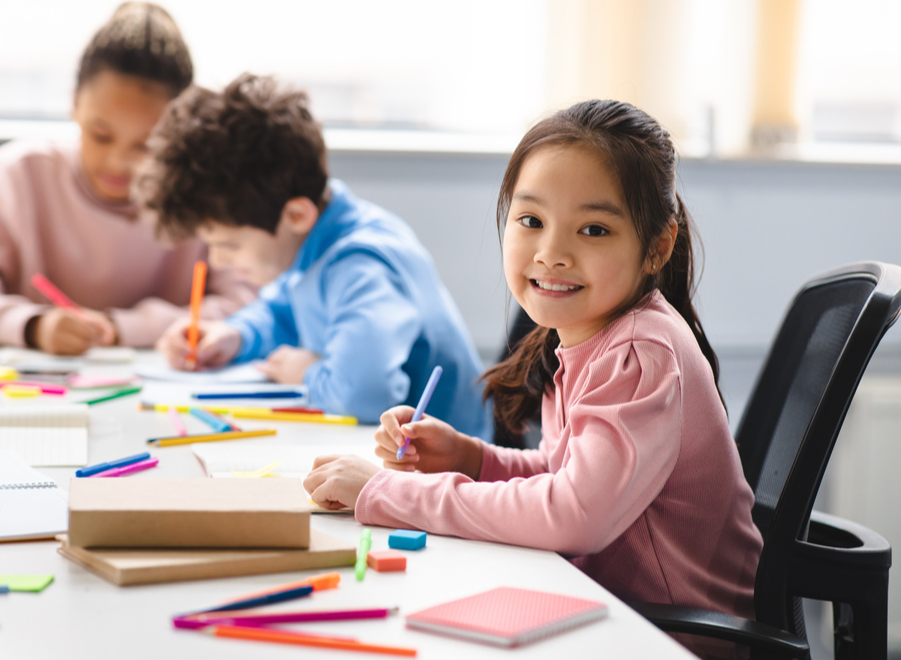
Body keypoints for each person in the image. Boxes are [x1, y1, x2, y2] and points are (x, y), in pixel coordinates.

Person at [303, 100, 763, 649]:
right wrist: (471, 458)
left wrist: (389, 492)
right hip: (616, 610)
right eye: (530, 221)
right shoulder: (589, 336)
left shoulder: (641, 353)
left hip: (670, 635)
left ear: (656, 247)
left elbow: (575, 514)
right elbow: (565, 471)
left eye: (593, 229)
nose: (551, 253)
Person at [140, 73, 489, 435]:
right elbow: (284, 313)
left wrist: (305, 372)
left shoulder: (359, 264)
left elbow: (366, 394)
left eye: (229, 245)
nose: (217, 261)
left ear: (296, 215)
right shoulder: (312, 238)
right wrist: (235, 335)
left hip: (451, 473)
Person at [0, 3, 255, 355]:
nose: (119, 163)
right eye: (101, 136)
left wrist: (127, 329)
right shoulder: (20, 173)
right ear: (74, 104)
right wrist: (33, 325)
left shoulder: (204, 193)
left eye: (147, 145)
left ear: (178, 129)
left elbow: (253, 307)